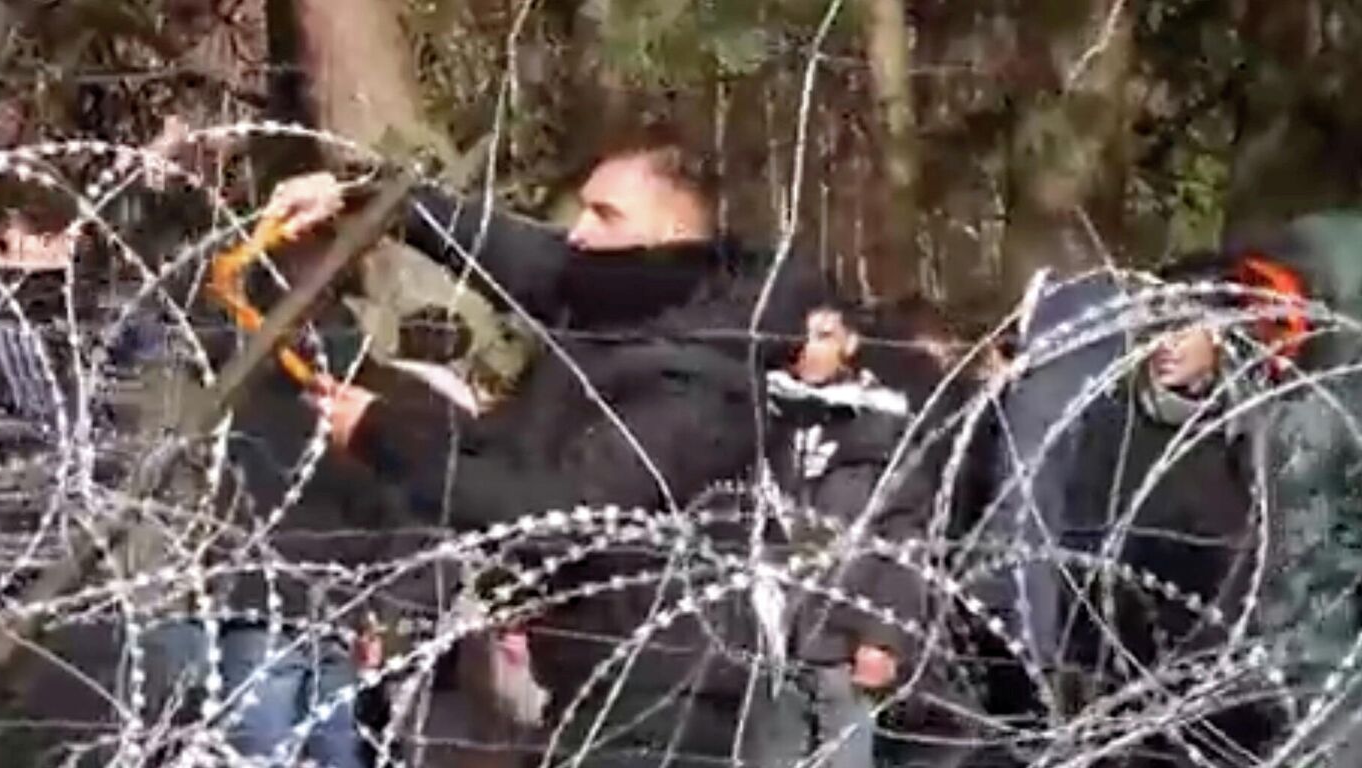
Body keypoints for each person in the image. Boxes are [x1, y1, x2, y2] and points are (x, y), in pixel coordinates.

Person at [262, 120, 835, 765]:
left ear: (671, 232)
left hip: (665, 694)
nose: (579, 232)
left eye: (605, 214)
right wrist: (365, 197)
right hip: (598, 673)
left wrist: (384, 435)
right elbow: (504, 245)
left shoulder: (700, 379)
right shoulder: (620, 300)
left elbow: (561, 512)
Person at [1058, 278, 1283, 766]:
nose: (1165, 345)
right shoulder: (1113, 426)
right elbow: (1080, 542)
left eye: (1182, 329)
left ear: (1219, 335)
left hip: (1229, 680)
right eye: (1156, 330)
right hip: (1128, 671)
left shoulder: (1251, 431)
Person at [752, 303, 931, 768]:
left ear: (851, 344)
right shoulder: (762, 419)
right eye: (802, 336)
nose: (808, 350)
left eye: (824, 336)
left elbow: (902, 534)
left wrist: (884, 637)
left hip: (843, 644)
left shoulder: (880, 427)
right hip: (767, 643)